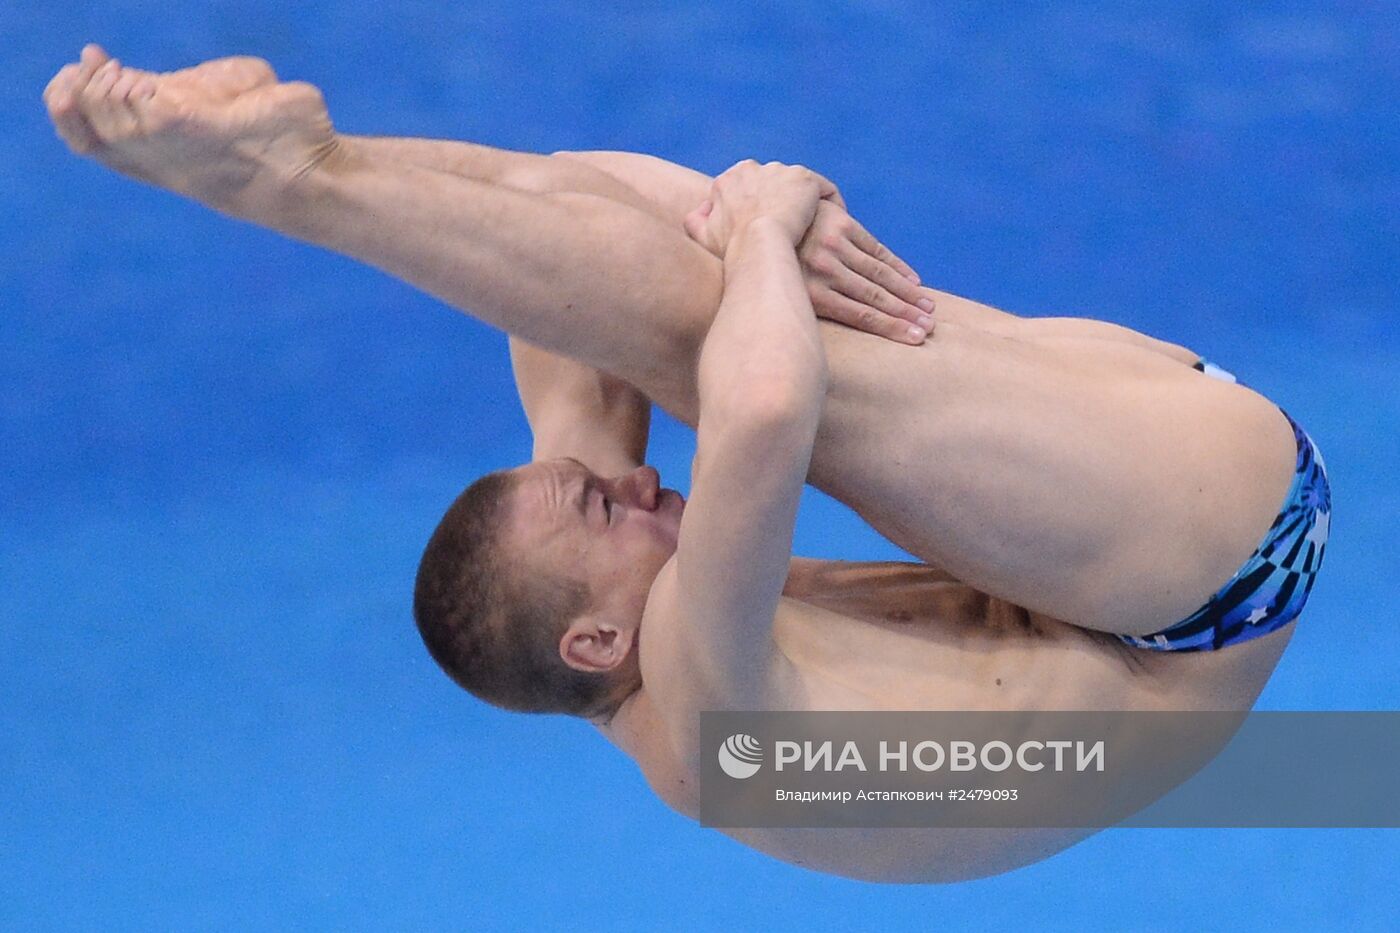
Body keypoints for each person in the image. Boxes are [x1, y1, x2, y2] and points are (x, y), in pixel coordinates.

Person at [44, 46, 1330, 882]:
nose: (638, 483)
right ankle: (288, 182)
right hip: (1199, 578)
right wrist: (769, 215)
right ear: (600, 641)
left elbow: (559, 288)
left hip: (1132, 540)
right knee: (700, 323)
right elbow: (762, 410)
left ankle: (315, 156)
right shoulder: (717, 719)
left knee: (616, 237)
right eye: (606, 506)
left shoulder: (597, 612)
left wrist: (721, 224)